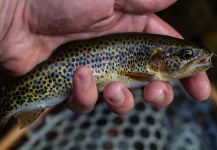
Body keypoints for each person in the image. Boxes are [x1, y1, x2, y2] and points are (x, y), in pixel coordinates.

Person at [0, 0, 210, 115]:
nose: (193, 58)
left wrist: (13, 12)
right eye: (186, 55)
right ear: (157, 59)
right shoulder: (142, 72)